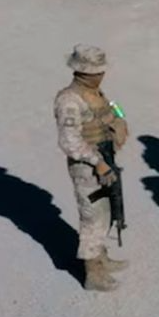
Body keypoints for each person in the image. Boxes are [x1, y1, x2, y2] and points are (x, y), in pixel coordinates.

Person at [53, 44, 130, 292]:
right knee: (92, 216)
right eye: (98, 71)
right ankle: (92, 273)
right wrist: (97, 163)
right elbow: (69, 141)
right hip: (88, 167)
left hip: (105, 159)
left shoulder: (94, 92)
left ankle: (100, 257)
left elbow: (112, 108)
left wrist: (119, 118)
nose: (102, 75)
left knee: (107, 211)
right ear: (85, 73)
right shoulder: (69, 100)